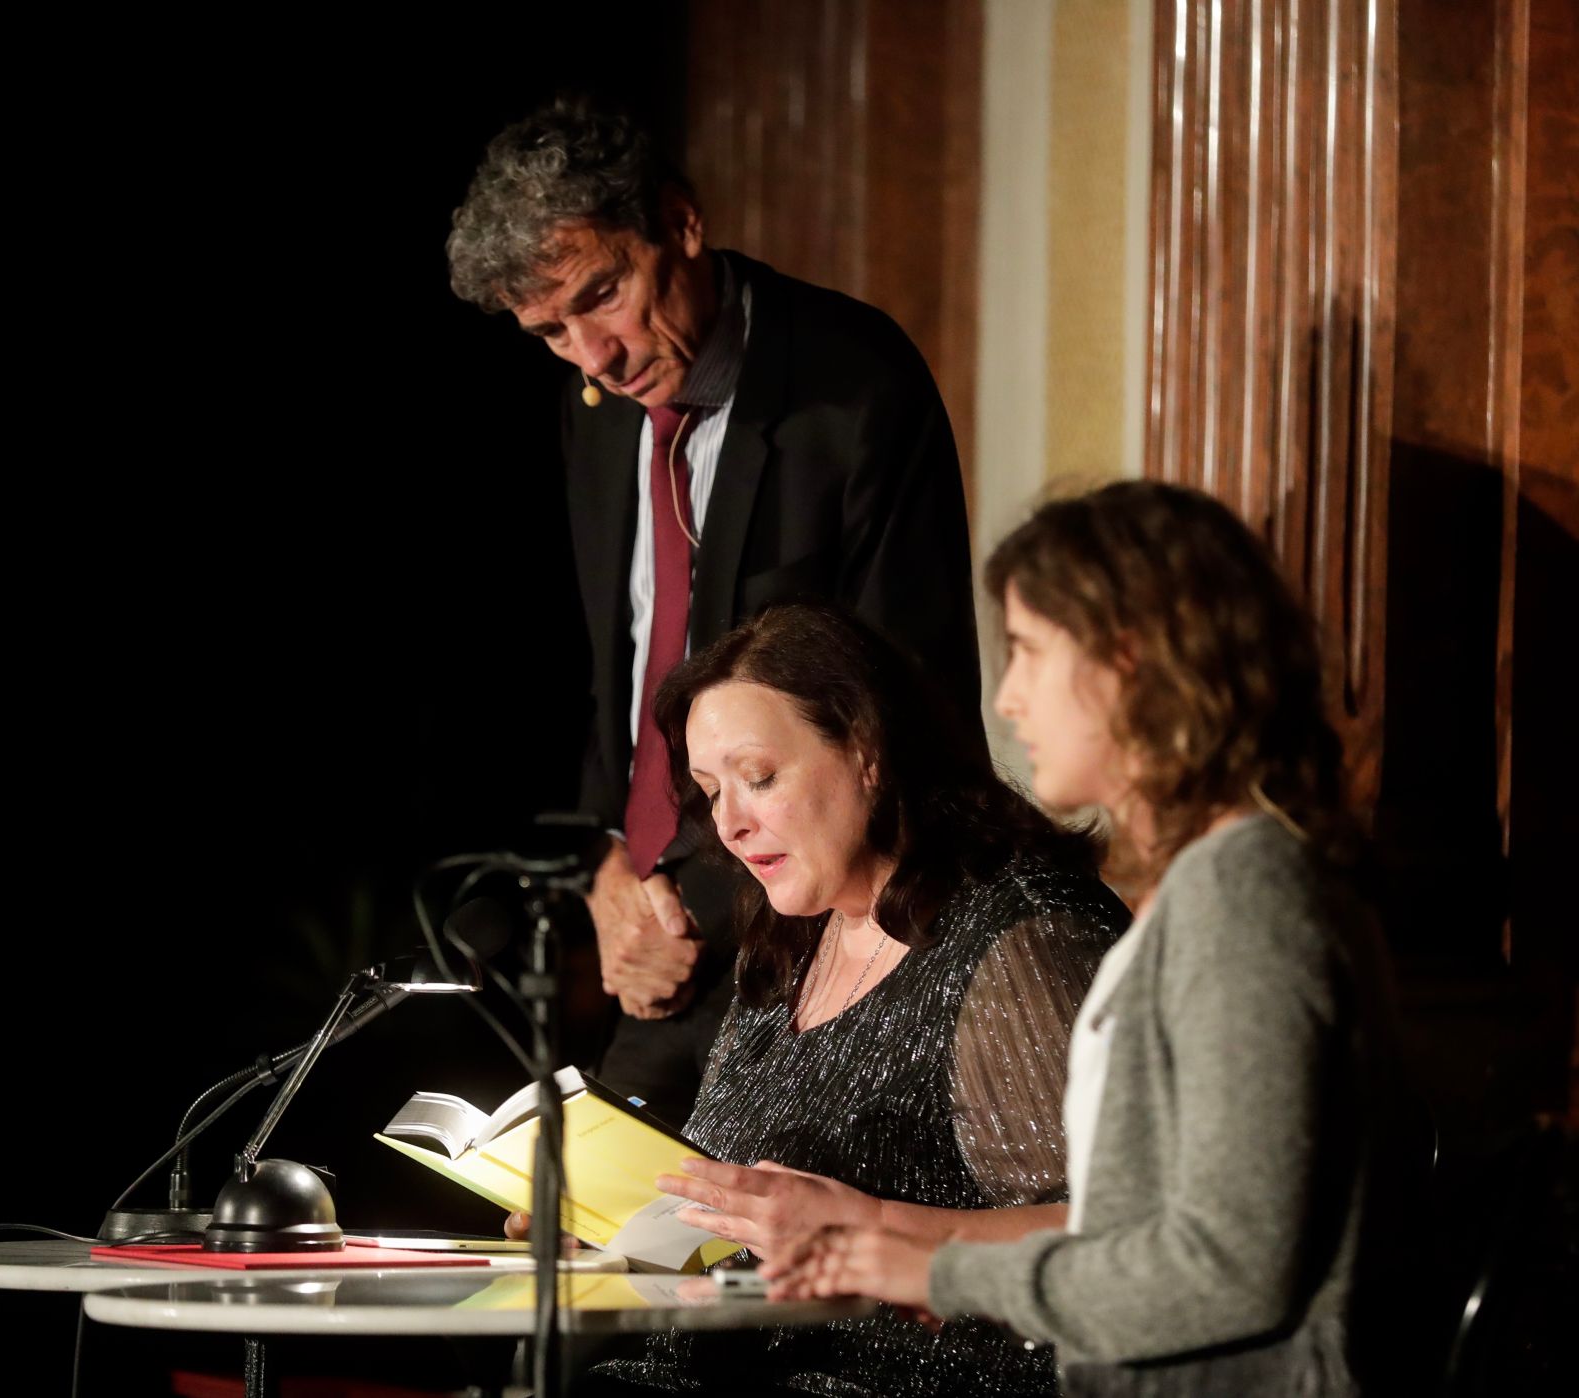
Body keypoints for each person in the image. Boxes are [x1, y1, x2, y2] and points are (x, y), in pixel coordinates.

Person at [764, 483, 1408, 1396]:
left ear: (1131, 661)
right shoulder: (1210, 885)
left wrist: (941, 1275)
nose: (1011, 698)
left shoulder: (1247, 899)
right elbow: (1139, 1224)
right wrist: (892, 1242)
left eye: (1028, 652)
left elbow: (1225, 1271)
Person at [447, 100, 982, 1124]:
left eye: (602, 296)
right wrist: (610, 870)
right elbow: (629, 674)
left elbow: (900, 715)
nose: (592, 355)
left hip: (814, 939)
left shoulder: (855, 388)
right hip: (653, 930)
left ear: (680, 223)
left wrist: (678, 908)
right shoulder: (595, 410)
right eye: (550, 332)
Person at [567, 603, 1129, 1397]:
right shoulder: (786, 942)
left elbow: (1124, 1240)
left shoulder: (1021, 937)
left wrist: (873, 1229)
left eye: (758, 778)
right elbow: (744, 1225)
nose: (728, 823)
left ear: (866, 751)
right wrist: (611, 1229)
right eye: (707, 791)